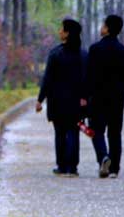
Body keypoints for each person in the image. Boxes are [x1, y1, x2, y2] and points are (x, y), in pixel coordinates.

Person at [85, 15, 124, 179]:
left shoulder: (94, 49)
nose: (101, 28)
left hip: (97, 96)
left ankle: (103, 157)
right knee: (115, 132)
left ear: (107, 28)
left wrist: (85, 96)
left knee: (97, 130)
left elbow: (89, 75)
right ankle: (114, 168)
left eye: (103, 25)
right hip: (117, 97)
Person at [37, 18, 88, 177]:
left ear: (67, 33)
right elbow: (87, 79)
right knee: (74, 131)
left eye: (62, 29)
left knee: (60, 133)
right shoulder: (83, 55)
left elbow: (48, 79)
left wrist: (40, 99)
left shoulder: (55, 54)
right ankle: (72, 167)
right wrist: (85, 97)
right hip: (77, 101)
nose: (59, 32)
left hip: (57, 101)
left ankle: (61, 165)